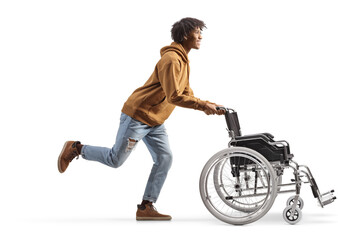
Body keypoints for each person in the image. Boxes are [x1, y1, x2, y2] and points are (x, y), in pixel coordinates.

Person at [57, 17, 224, 221]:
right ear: (184, 35)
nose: (201, 36)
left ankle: (146, 206)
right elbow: (174, 96)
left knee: (165, 158)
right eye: (197, 31)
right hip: (138, 116)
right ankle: (76, 148)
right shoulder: (171, 60)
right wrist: (201, 106)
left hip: (155, 119)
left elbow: (186, 92)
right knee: (115, 160)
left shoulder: (183, 60)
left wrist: (207, 103)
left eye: (200, 31)